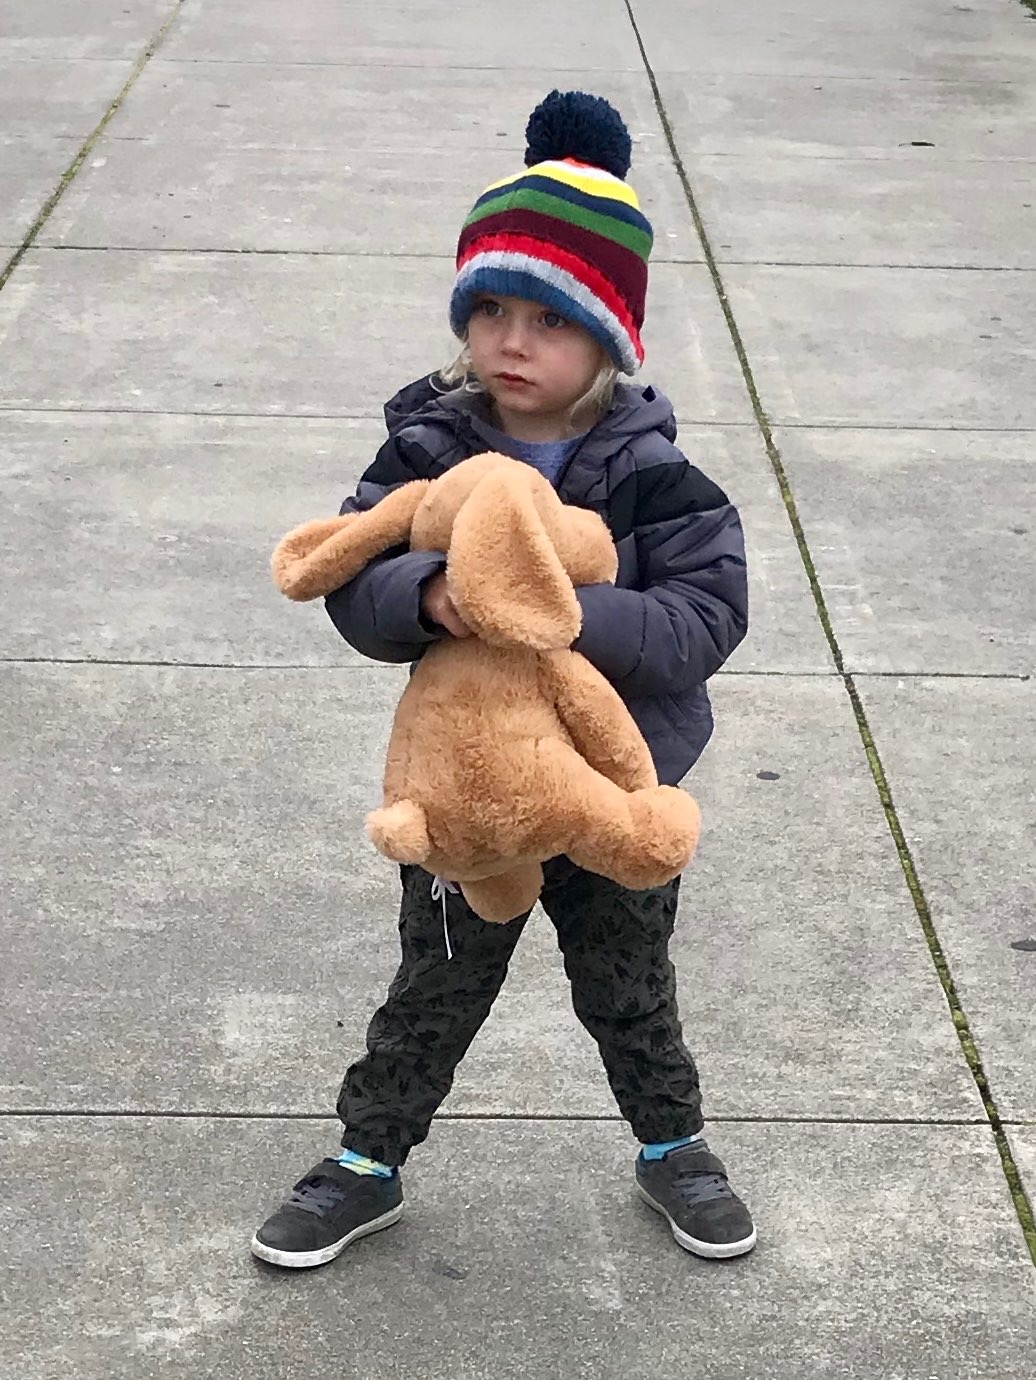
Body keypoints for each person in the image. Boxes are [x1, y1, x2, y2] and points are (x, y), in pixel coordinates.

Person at [251, 90, 754, 1270]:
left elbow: (703, 618)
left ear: (608, 339)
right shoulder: (425, 448)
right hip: (466, 787)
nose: (511, 342)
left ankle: (672, 1144)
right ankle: (367, 1159)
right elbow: (351, 569)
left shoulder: (654, 475)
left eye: (547, 319)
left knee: (627, 983)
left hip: (605, 780)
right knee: (434, 982)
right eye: (490, 311)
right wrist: (430, 597)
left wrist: (555, 613)